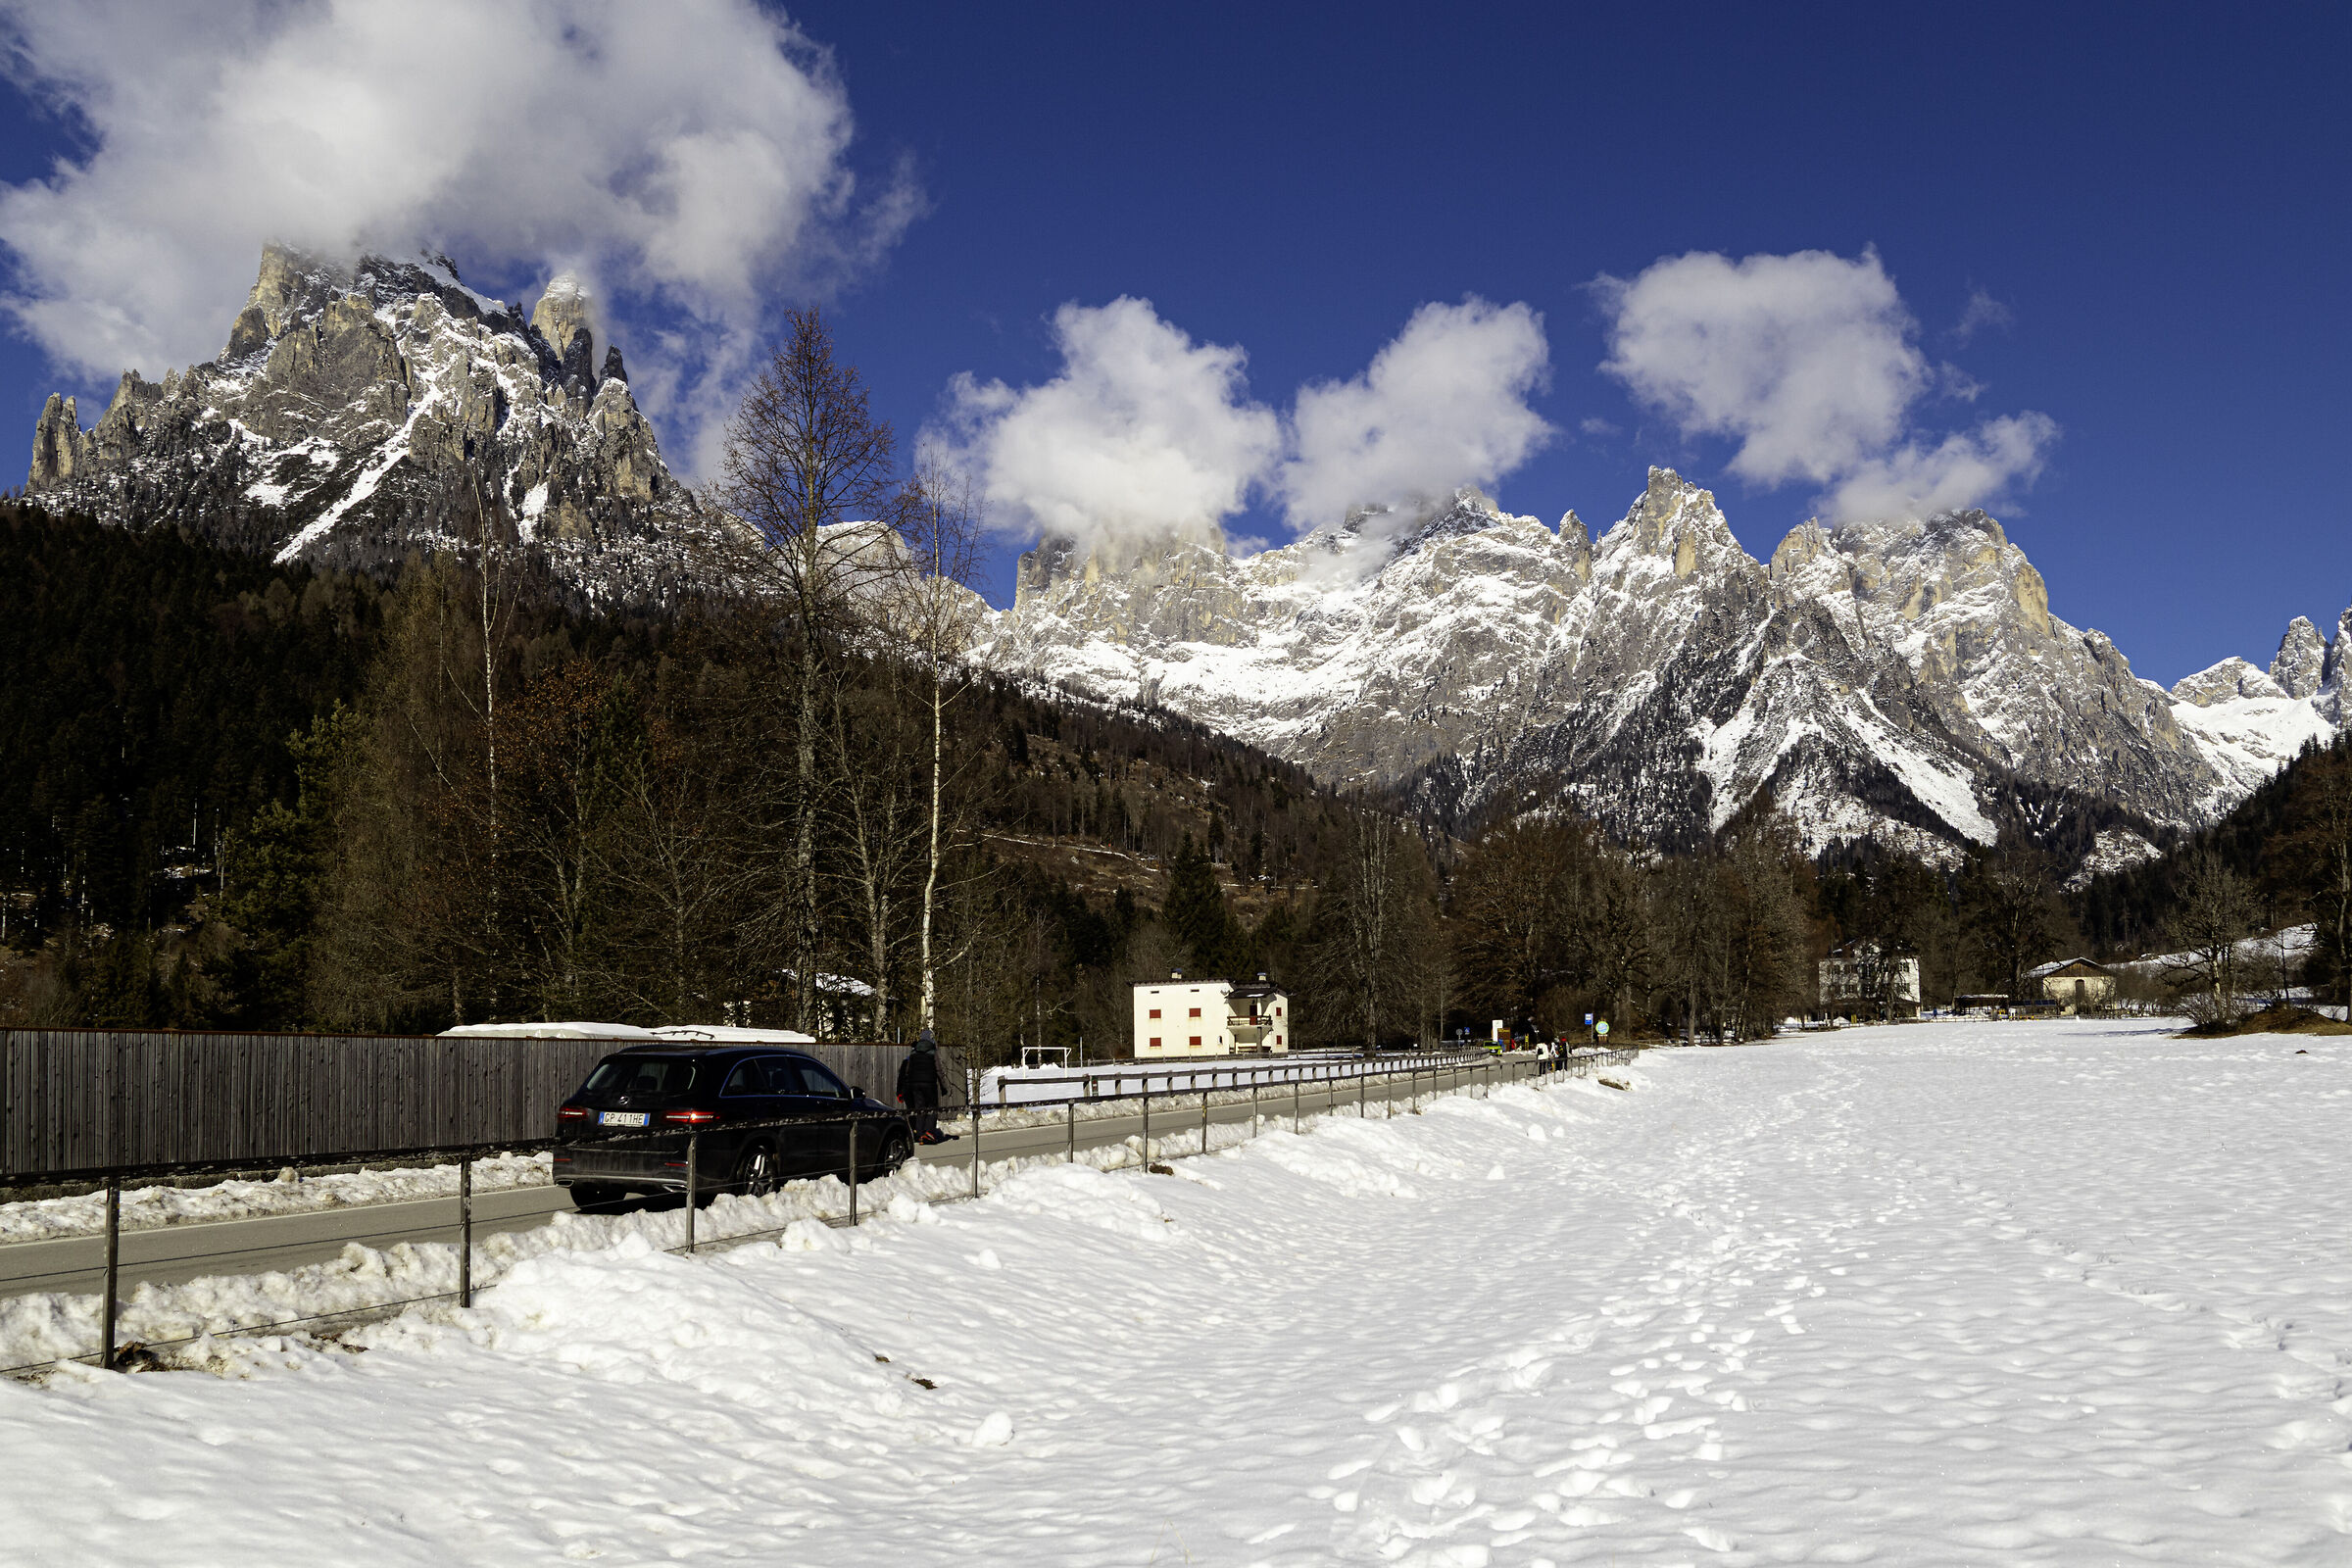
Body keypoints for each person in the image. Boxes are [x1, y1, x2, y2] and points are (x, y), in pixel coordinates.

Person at [897, 1029, 947, 1144]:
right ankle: (929, 1131)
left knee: (920, 1108)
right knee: (932, 1107)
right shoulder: (933, 1052)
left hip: (915, 1084)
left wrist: (908, 1085)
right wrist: (943, 1086)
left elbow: (908, 1070)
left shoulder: (914, 1052)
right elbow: (939, 1070)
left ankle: (919, 1133)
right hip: (929, 1083)